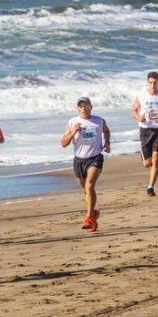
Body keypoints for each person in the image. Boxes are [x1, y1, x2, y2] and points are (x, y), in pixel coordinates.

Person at [62, 97, 111, 231]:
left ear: (91, 107)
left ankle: (89, 217)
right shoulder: (72, 122)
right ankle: (94, 213)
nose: (83, 108)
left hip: (95, 157)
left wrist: (107, 143)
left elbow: (106, 131)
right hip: (79, 160)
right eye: (81, 106)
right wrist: (73, 132)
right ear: (77, 108)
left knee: (89, 187)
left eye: (86, 106)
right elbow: (63, 143)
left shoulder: (99, 121)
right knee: (85, 190)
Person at [130, 71, 158, 196]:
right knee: (147, 164)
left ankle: (150, 187)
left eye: (155, 82)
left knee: (156, 160)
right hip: (145, 130)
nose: (153, 85)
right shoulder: (141, 95)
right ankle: (147, 156)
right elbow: (133, 111)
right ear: (147, 82)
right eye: (150, 82)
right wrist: (139, 118)